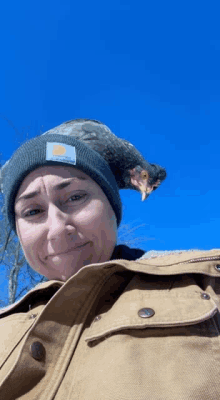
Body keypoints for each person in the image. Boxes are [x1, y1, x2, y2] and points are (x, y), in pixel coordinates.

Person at [0, 120, 219, 400]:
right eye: (32, 211)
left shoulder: (207, 286)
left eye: (76, 196)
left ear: (113, 207)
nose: (56, 229)